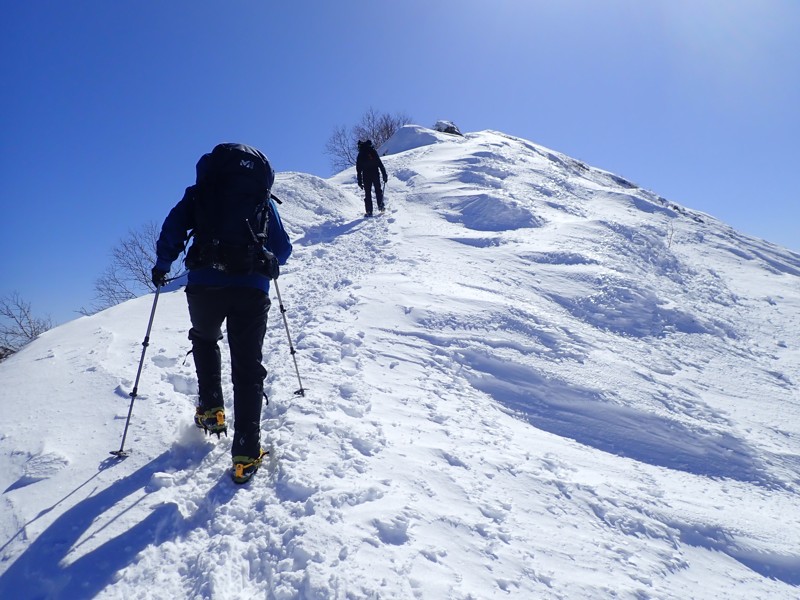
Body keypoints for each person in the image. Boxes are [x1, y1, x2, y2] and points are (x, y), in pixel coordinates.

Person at [151, 143, 293, 483]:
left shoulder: (200, 192)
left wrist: (162, 265)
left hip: (204, 285)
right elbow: (283, 249)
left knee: (204, 338)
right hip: (252, 288)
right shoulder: (260, 199)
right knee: (247, 367)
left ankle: (211, 409)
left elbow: (173, 229)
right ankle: (245, 450)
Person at [355, 139, 388, 216]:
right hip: (375, 173)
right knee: (378, 190)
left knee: (368, 193)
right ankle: (381, 207)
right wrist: (384, 175)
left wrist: (360, 181)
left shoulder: (360, 155)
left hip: (366, 175)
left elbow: (358, 170)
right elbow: (380, 164)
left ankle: (369, 211)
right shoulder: (372, 151)